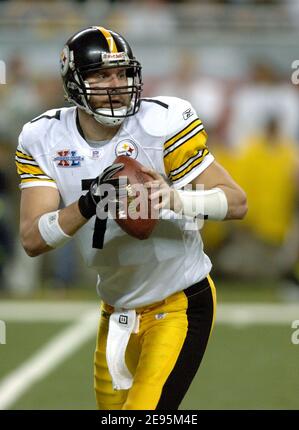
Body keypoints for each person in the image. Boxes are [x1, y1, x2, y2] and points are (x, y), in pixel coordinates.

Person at [15, 26, 247, 410]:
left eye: (122, 73)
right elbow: (32, 240)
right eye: (102, 75)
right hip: (116, 309)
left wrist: (174, 198)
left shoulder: (164, 122)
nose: (117, 84)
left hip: (178, 301)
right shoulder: (43, 137)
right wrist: (89, 204)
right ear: (75, 84)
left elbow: (237, 203)